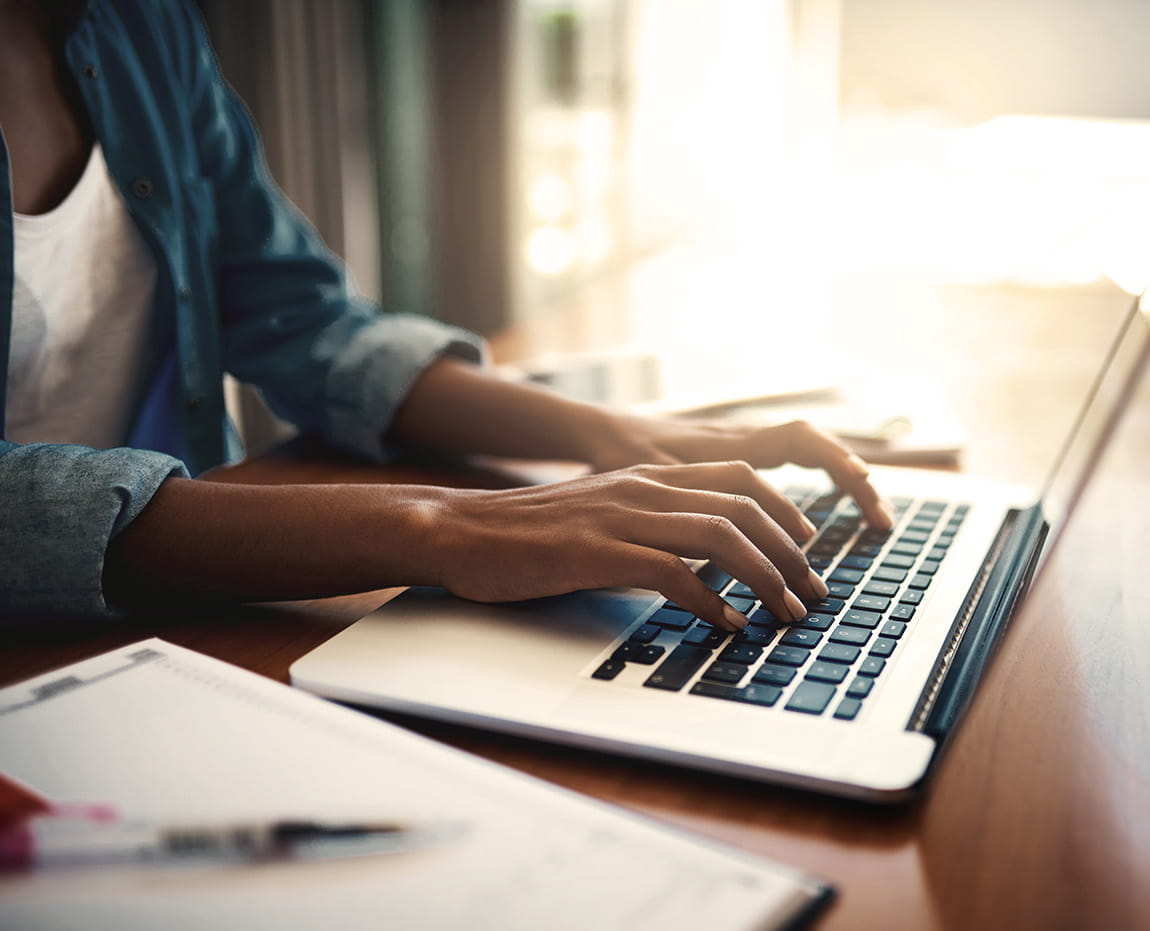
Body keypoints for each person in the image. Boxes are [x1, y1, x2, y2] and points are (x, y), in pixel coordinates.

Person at [0, 0, 889, 631]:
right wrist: (446, 526)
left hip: (194, 612)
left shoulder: (143, 24)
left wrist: (617, 437)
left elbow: (304, 318)